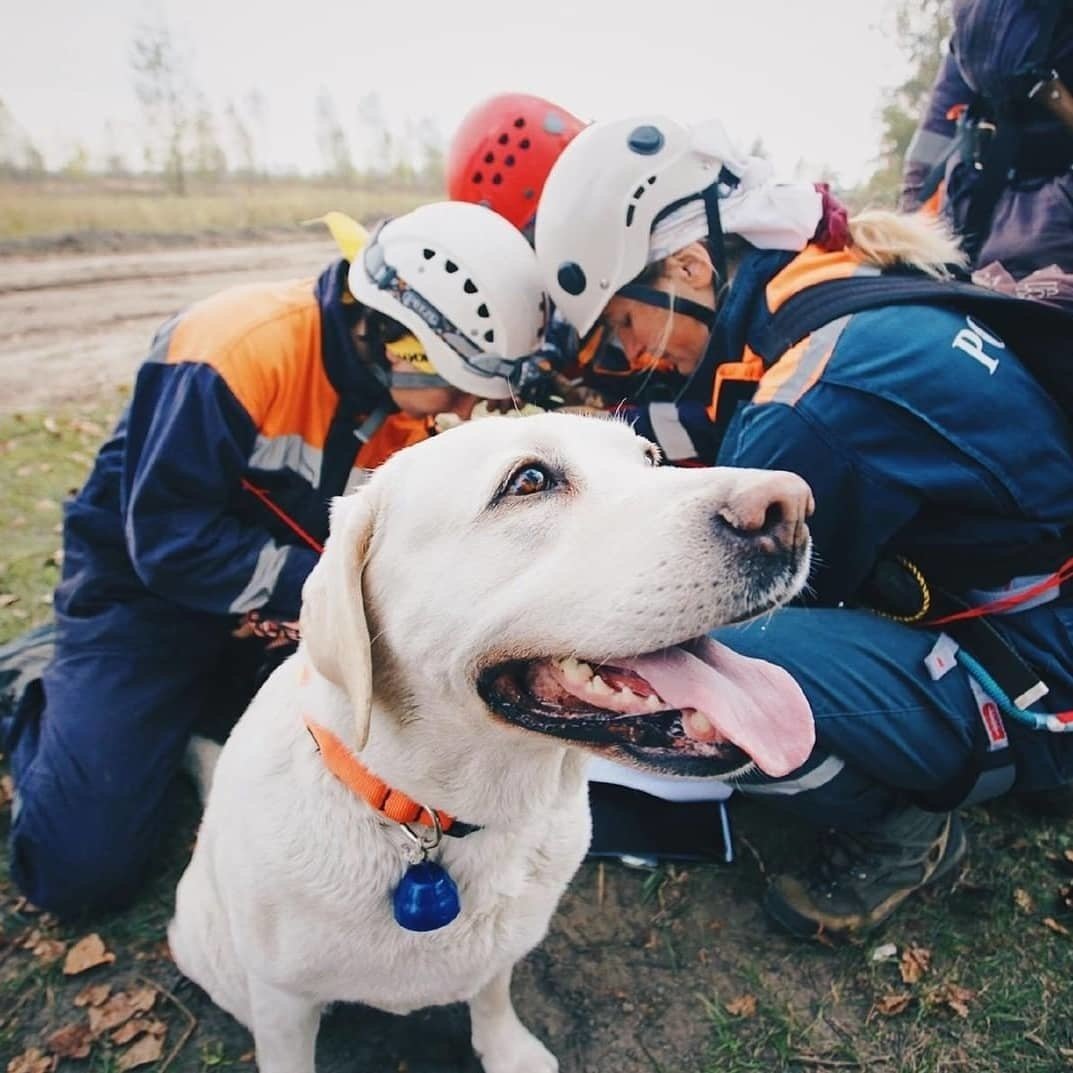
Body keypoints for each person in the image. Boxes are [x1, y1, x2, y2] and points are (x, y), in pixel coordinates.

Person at [534, 113, 1073, 938]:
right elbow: (720, 419)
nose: (634, 357)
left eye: (623, 326)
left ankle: (901, 831)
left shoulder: (809, 403)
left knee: (687, 652)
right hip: (1041, 622)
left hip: (1038, 677)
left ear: (688, 266)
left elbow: (717, 578)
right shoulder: (833, 290)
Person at [4, 200, 549, 917]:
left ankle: (182, 707)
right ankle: (35, 676)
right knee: (78, 871)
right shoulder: (235, 348)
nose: (459, 407)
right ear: (399, 335)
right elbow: (165, 540)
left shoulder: (403, 411)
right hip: (141, 601)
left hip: (268, 611)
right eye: (455, 380)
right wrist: (315, 593)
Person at [900, 0, 1073, 308]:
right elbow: (938, 121)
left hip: (988, 213)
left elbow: (937, 120)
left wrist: (910, 216)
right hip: (996, 217)